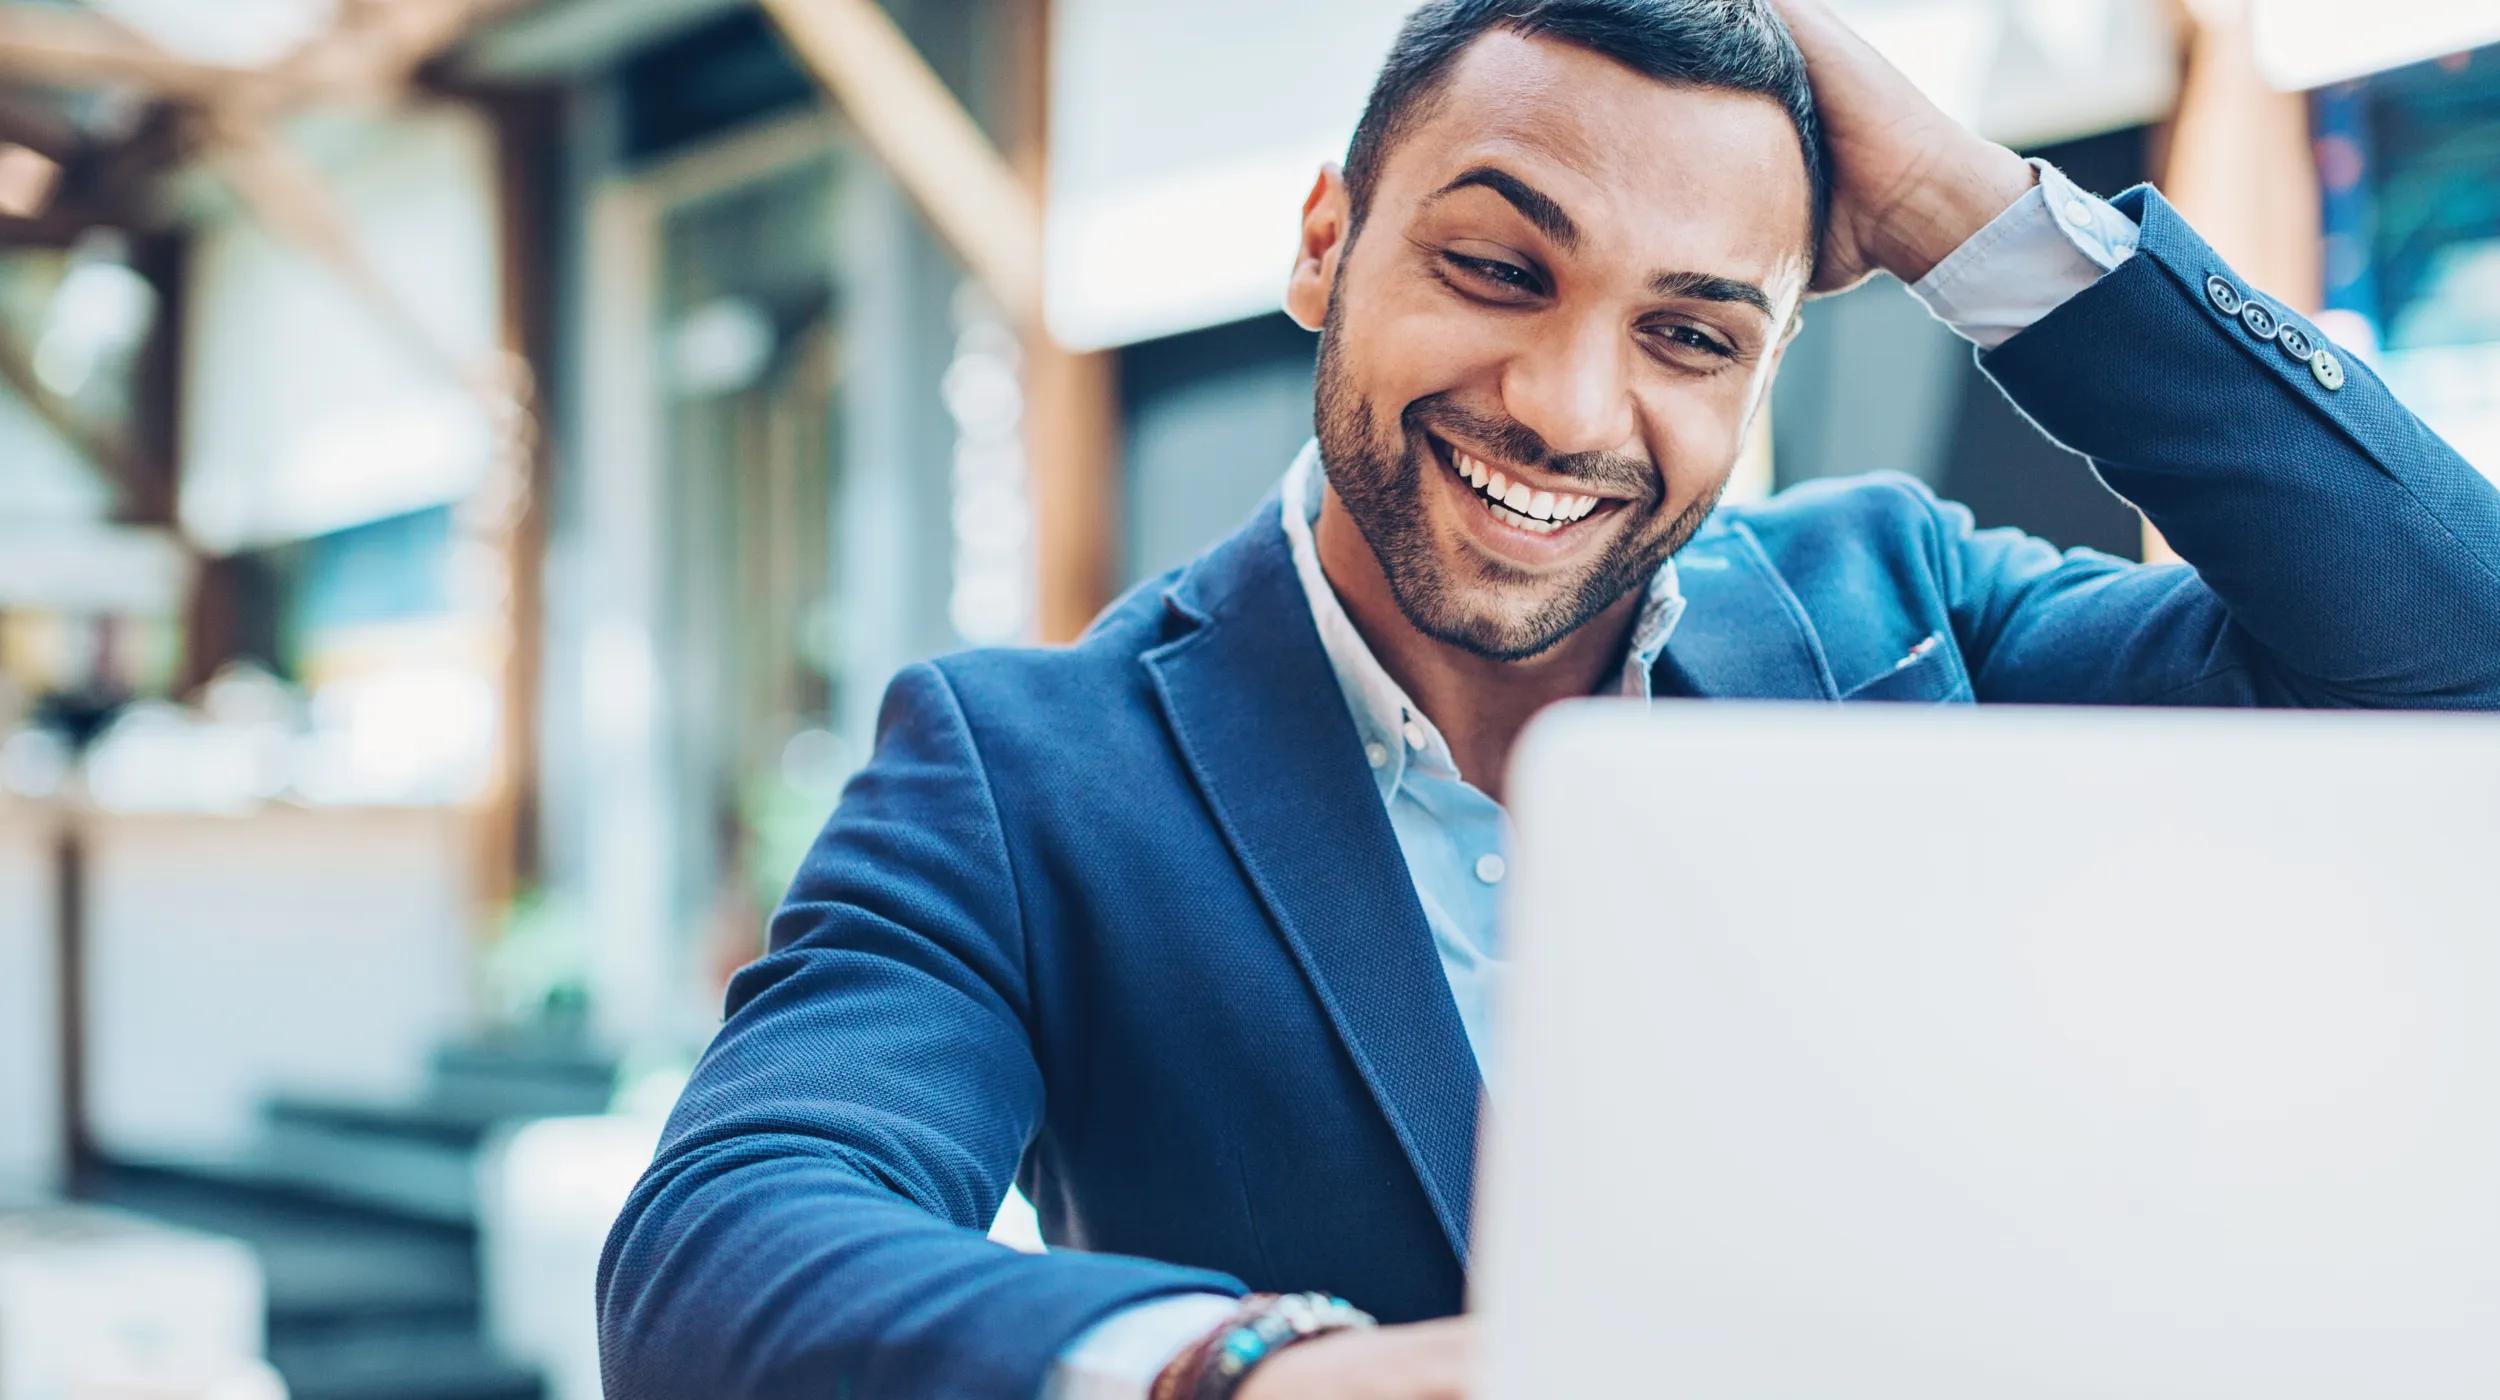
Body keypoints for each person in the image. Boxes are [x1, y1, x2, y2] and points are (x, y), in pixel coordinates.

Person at [597, 0, 2500, 1396]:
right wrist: (1249, 1374)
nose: (1573, 408)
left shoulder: (1909, 611)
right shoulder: (1024, 772)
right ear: (1328, 242)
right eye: (1498, 266)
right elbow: (719, 1247)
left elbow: (2456, 648)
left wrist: (1958, 208)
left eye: (1690, 332)